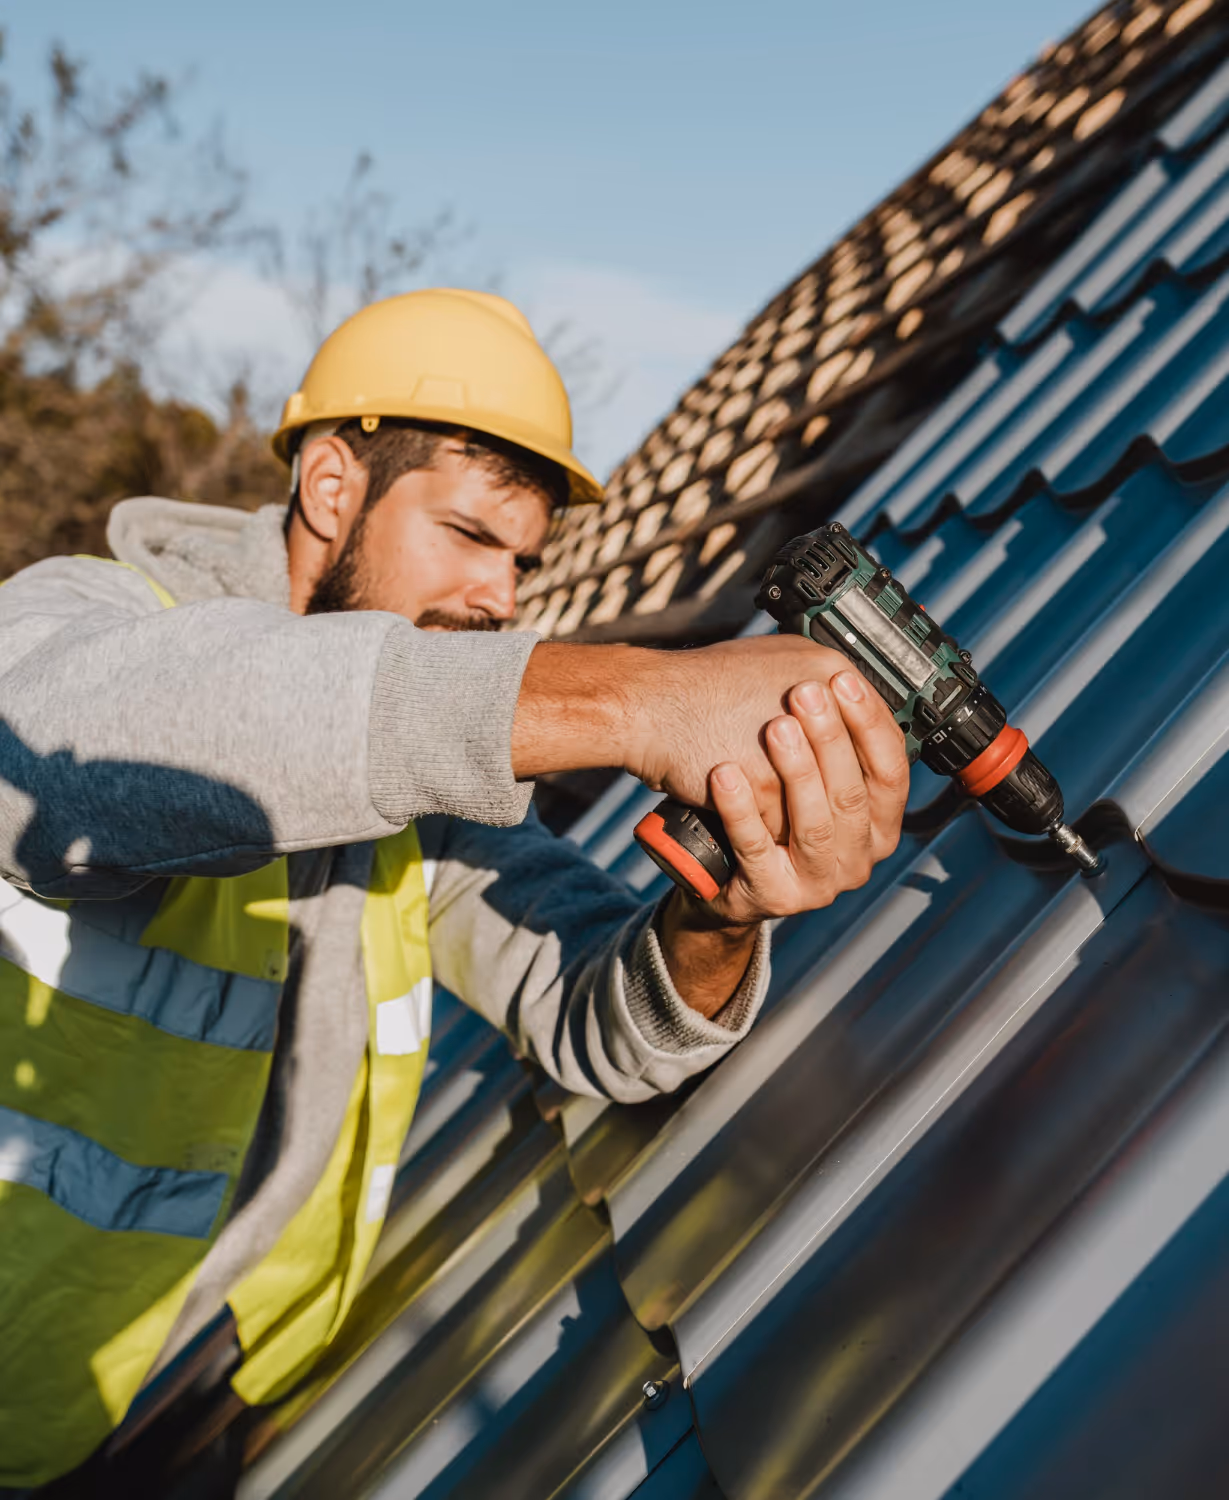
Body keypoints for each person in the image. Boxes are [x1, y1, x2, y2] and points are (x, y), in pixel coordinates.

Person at [0, 289, 909, 1490]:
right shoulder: (83, 620)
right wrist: (629, 699)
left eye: (523, 560)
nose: (501, 597)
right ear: (332, 488)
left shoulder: (418, 800)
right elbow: (66, 762)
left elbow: (604, 1025)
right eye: (471, 536)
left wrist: (719, 910)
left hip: (175, 1398)